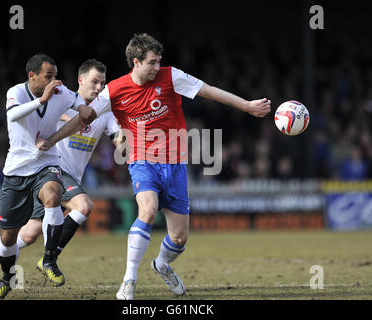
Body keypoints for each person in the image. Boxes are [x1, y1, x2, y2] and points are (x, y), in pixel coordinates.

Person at [35, 33, 271, 300]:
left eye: (159, 62)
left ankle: (161, 264)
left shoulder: (172, 76)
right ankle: (128, 281)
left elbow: (210, 91)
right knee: (146, 211)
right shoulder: (114, 90)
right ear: (136, 62)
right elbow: (83, 118)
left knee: (179, 238)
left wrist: (247, 106)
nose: (158, 67)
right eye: (152, 62)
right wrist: (51, 140)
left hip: (175, 164)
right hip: (142, 161)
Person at [0, 59, 119, 298]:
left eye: (102, 83)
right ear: (80, 80)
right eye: (94, 82)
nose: (98, 87)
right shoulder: (63, 100)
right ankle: (50, 259)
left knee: (27, 235)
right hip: (53, 169)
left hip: (65, 176)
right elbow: (37, 119)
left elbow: (117, 135)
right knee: (84, 205)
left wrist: (126, 144)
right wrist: (55, 131)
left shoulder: (103, 112)